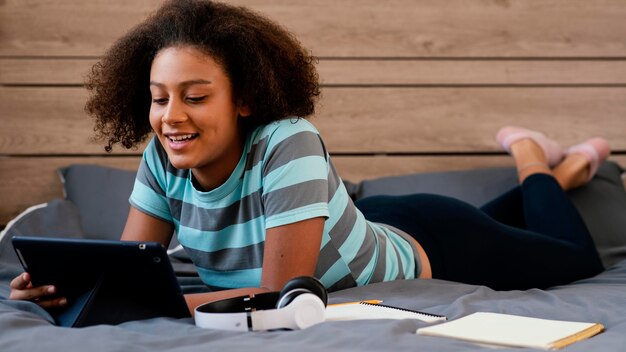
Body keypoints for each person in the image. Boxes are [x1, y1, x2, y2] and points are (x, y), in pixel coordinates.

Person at [9, 0, 609, 314]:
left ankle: (535, 158)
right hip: (364, 220)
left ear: (244, 98)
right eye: (159, 98)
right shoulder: (163, 154)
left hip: (432, 241)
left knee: (575, 258)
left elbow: (278, 293)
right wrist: (72, 287)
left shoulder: (286, 140)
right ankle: (557, 168)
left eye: (195, 97)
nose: (172, 116)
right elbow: (127, 270)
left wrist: (128, 300)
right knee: (507, 220)